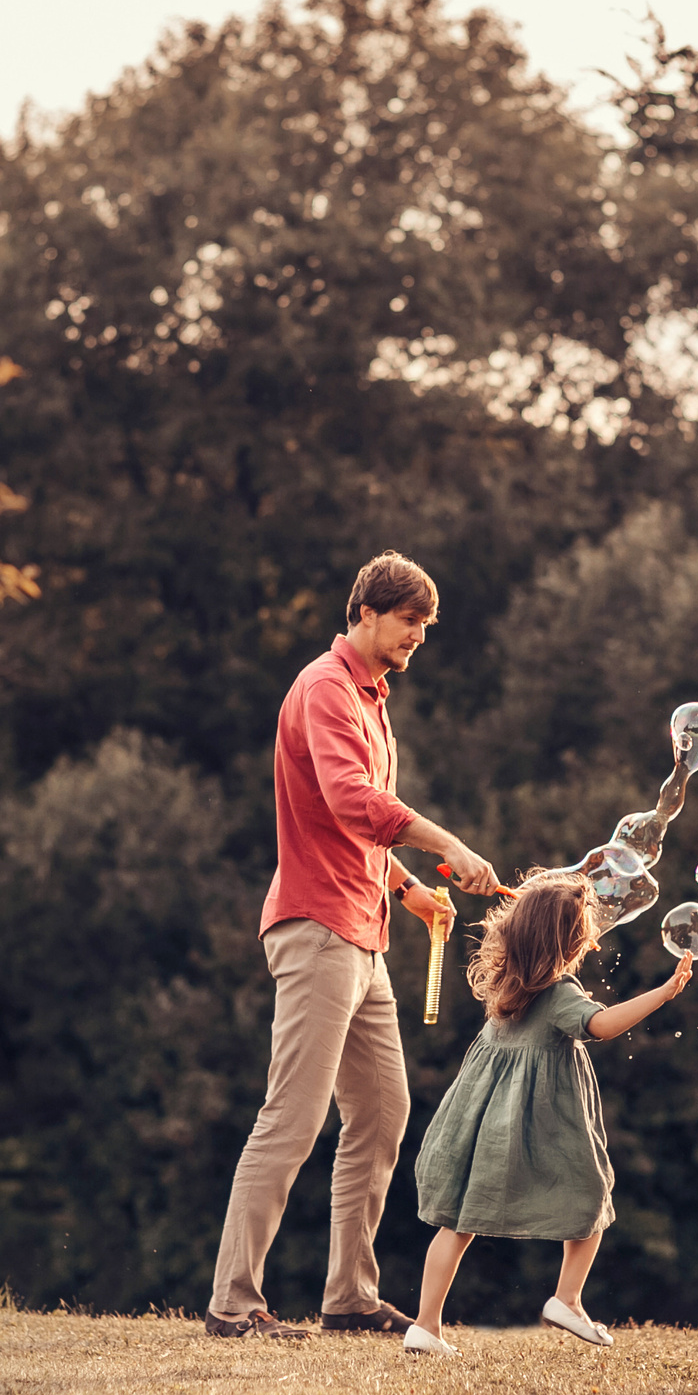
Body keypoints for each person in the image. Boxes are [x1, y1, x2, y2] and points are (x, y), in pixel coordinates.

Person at [206, 551, 503, 1340]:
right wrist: (452, 850)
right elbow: (353, 800)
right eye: (410, 621)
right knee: (294, 1116)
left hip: (362, 929)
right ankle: (233, 1303)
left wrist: (410, 893)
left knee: (382, 1110)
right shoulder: (325, 688)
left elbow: (356, 832)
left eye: (426, 626)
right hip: (316, 927)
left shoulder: (374, 698)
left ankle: (350, 1296)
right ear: (367, 612)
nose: (418, 637)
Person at [404, 871, 695, 1357]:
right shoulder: (559, 994)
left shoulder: (506, 983)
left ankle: (425, 1326)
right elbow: (601, 1026)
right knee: (591, 1197)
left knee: (456, 1221)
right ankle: (567, 1298)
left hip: (482, 1126)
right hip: (538, 1126)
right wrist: (663, 992)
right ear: (567, 943)